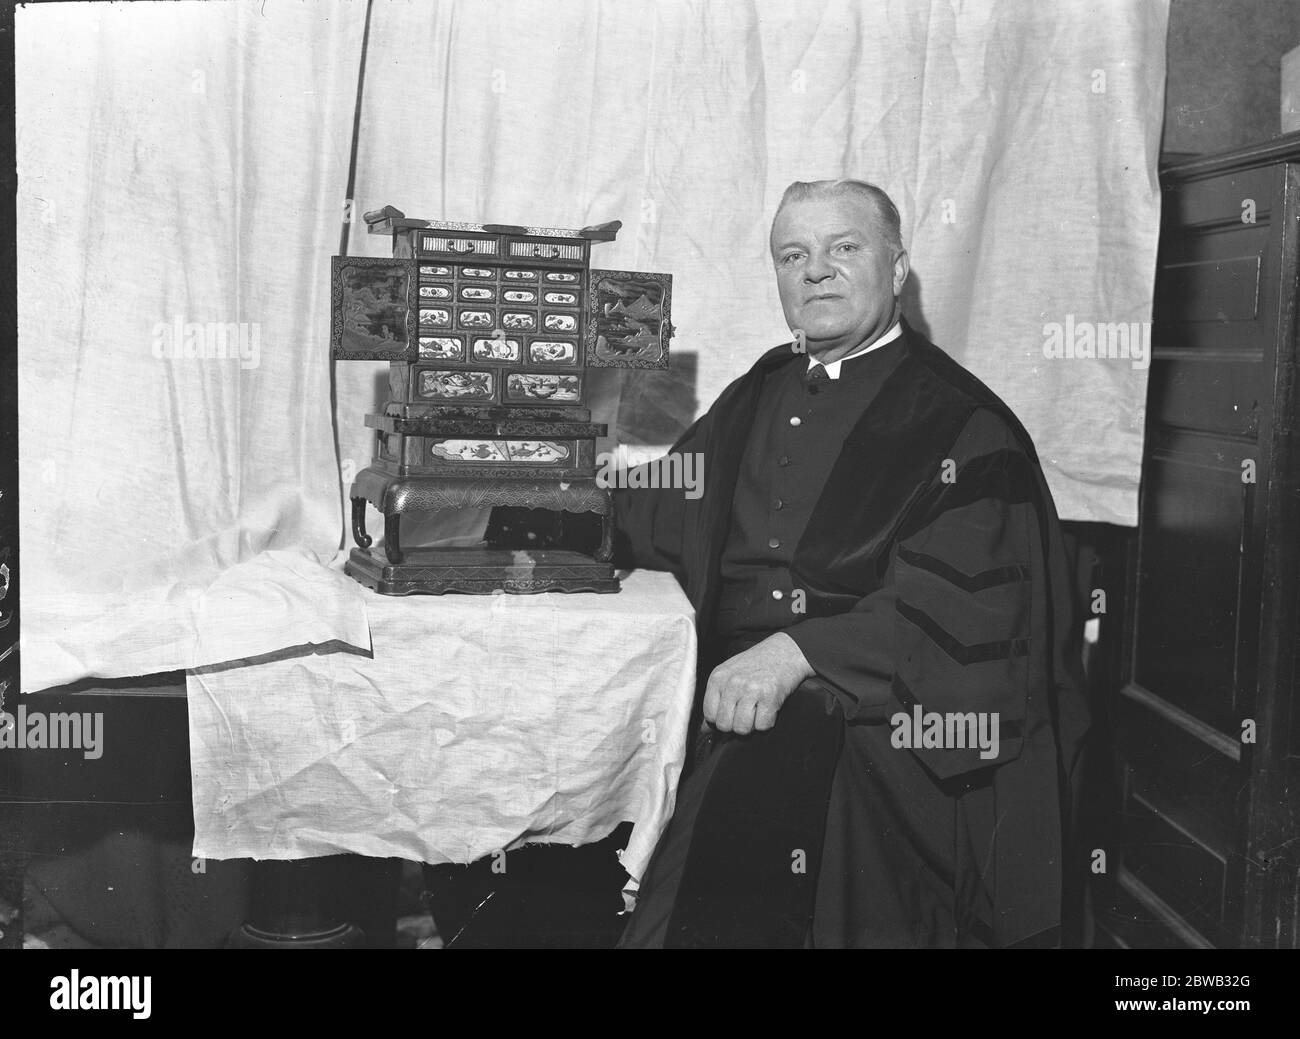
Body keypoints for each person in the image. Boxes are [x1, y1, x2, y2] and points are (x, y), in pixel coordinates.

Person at [612, 179, 1090, 949]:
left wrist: (800, 650)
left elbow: (971, 625)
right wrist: (520, 502)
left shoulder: (963, 425)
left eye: (844, 247)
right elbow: (656, 504)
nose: (816, 271)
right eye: (792, 255)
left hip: (880, 732)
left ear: (897, 270)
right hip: (730, 704)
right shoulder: (761, 388)